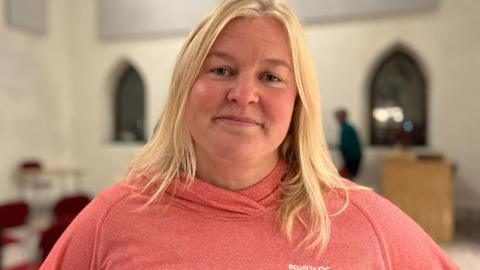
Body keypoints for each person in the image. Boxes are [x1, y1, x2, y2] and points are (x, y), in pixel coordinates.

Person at [40, 0, 458, 269]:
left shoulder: (364, 220)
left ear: (298, 103)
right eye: (221, 69)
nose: (243, 95)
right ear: (186, 88)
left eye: (272, 76)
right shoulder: (114, 217)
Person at [334, 108, 363, 180]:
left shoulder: (346, 129)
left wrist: (336, 147)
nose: (336, 119)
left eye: (337, 116)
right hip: (352, 157)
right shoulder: (346, 127)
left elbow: (347, 145)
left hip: (352, 157)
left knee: (348, 178)